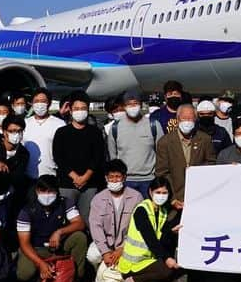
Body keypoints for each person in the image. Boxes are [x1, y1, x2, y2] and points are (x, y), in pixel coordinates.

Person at [15, 175, 88, 282]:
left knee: (79, 237)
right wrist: (40, 263)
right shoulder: (26, 211)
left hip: (58, 246)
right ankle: (38, 276)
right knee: (24, 274)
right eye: (43, 191)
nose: (47, 194)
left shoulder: (65, 203)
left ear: (57, 191)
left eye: (51, 191)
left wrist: (59, 232)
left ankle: (76, 278)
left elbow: (79, 223)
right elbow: (24, 243)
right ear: (37, 191)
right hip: (36, 248)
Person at [117, 177, 182, 282]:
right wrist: (167, 258)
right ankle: (132, 281)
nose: (161, 196)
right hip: (133, 264)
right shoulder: (142, 210)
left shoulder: (162, 211)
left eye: (164, 193)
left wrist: (172, 229)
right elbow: (151, 239)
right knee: (166, 270)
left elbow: (161, 236)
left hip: (148, 261)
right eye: (158, 192)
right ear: (150, 192)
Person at [52, 91, 106, 223]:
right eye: (76, 109)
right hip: (67, 183)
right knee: (66, 218)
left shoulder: (95, 132)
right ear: (70, 110)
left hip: (90, 184)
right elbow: (58, 157)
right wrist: (75, 177)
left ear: (88, 110)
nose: (79, 111)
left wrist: (86, 176)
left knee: (88, 217)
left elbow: (98, 156)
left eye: (83, 109)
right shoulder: (62, 132)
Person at [155, 103, 217, 209]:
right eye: (184, 118)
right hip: (175, 198)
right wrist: (172, 198)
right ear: (178, 119)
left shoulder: (205, 139)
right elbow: (162, 172)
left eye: (190, 118)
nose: (187, 122)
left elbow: (211, 164)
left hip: (199, 197)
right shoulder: (165, 142)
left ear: (195, 120)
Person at [86, 160, 143, 269]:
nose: (114, 180)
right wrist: (105, 252)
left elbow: (138, 228)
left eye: (118, 177)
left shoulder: (136, 197)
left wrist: (123, 248)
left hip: (128, 243)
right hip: (106, 243)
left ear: (124, 177)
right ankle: (103, 271)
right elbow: (95, 227)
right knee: (93, 256)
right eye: (111, 177)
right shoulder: (97, 199)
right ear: (106, 178)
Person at [106, 91, 157, 198]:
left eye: (135, 103)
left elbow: (161, 152)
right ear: (124, 106)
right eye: (129, 104)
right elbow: (113, 157)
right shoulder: (116, 128)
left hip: (149, 180)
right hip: (126, 181)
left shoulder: (153, 125)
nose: (133, 107)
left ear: (141, 104)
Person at [0, 114, 29, 231]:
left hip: (6, 197)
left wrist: (5, 166)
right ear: (4, 132)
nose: (16, 134)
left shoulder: (23, 153)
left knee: (3, 225)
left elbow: (17, 177)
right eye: (12, 131)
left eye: (20, 131)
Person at [23, 88, 64, 183]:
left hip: (51, 177)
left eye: (43, 101)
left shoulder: (59, 124)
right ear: (31, 104)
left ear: (49, 103)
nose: (39, 104)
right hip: (28, 177)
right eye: (36, 101)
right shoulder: (25, 123)